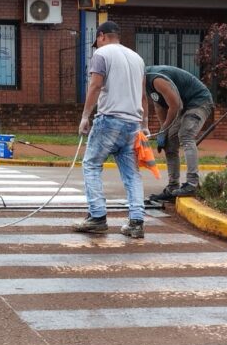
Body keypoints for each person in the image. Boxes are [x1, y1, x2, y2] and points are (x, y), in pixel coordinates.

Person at [73, 20, 148, 239]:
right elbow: (143, 96)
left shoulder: (102, 54)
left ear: (102, 36)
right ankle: (136, 222)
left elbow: (95, 86)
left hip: (109, 120)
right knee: (132, 174)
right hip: (133, 123)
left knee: (91, 164)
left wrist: (85, 116)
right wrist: (144, 126)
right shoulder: (138, 59)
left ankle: (97, 217)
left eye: (97, 40)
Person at [145, 65, 214, 201]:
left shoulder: (156, 79)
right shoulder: (146, 83)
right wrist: (163, 131)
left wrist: (165, 127)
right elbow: (159, 106)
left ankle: (192, 184)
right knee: (169, 143)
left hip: (199, 101)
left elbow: (176, 105)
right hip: (183, 106)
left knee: (186, 135)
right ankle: (172, 187)